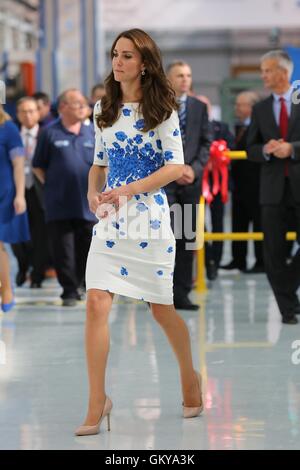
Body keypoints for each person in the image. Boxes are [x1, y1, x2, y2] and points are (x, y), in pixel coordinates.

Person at [75, 29, 203, 437]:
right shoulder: (102, 109)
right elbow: (99, 162)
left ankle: (189, 376)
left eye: (127, 56)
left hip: (149, 218)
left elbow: (175, 167)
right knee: (96, 302)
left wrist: (128, 189)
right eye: (115, 54)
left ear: (144, 63)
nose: (118, 62)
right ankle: (98, 400)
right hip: (111, 220)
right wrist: (94, 193)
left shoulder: (164, 109)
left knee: (161, 311)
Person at [247, 50, 300, 325]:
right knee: (273, 251)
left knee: (286, 260)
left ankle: (289, 284)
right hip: (272, 191)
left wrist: (292, 148)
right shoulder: (260, 108)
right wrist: (265, 150)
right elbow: (249, 148)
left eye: (267, 70)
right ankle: (287, 308)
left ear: (283, 72)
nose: (263, 75)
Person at [32, 89, 96, 307]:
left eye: (83, 103)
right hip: (59, 203)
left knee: (86, 247)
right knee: (63, 250)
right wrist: (53, 184)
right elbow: (38, 166)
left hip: (88, 204)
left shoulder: (92, 134)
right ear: (62, 108)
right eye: (76, 103)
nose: (81, 106)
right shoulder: (49, 133)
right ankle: (68, 290)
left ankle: (81, 283)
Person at [166, 61, 211, 309]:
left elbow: (206, 142)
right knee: (165, 238)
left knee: (186, 238)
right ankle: (159, 294)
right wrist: (172, 171)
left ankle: (181, 293)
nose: (185, 79)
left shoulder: (198, 107)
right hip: (165, 184)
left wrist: (192, 169)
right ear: (168, 78)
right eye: (179, 75)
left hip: (190, 183)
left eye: (188, 75)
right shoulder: (157, 105)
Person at [220, 91, 264, 274]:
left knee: (259, 223)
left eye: (240, 104)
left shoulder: (261, 127)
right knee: (239, 222)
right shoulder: (237, 127)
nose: (237, 108)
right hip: (238, 184)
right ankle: (239, 259)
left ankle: (261, 262)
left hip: (257, 184)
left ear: (251, 108)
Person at [197, 95, 235, 281]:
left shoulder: (222, 127)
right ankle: (208, 258)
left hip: (219, 182)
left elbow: (231, 147)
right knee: (196, 221)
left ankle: (216, 261)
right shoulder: (190, 128)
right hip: (197, 181)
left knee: (219, 221)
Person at [11, 97, 48, 288]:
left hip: (40, 190)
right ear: (17, 114)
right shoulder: (12, 135)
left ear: (38, 112)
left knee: (41, 234)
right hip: (16, 190)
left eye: (32, 111)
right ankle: (22, 265)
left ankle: (38, 273)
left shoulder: (46, 134)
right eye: (24, 111)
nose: (28, 115)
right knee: (17, 233)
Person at [0, 105, 30, 312]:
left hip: (3, 192)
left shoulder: (8, 128)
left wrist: (20, 195)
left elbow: (19, 164)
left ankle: (7, 289)